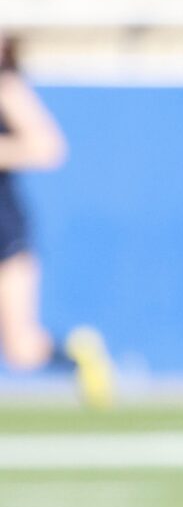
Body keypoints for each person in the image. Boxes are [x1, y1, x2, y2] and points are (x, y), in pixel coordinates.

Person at [0, 37, 113, 408]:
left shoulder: (7, 87)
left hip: (5, 225)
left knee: (21, 348)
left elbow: (47, 147)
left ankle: (78, 357)